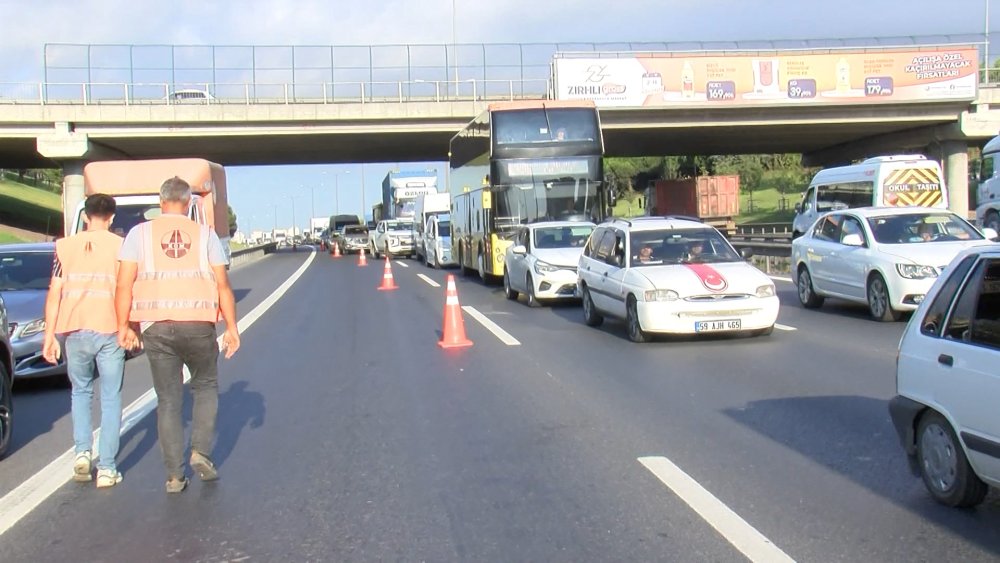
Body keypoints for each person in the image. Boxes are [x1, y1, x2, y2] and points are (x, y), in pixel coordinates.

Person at [115, 176, 241, 494]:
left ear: (161, 202)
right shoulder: (204, 235)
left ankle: (174, 476)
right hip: (199, 324)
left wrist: (123, 327)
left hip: (156, 327)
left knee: (169, 400)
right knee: (206, 387)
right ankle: (200, 451)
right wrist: (232, 328)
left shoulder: (138, 235)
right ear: (188, 204)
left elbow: (123, 285)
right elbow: (223, 285)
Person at [42, 194, 136, 488]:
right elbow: (129, 288)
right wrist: (131, 327)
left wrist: (50, 336)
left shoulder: (63, 247)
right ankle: (107, 468)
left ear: (85, 217)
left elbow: (54, 292)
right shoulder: (122, 247)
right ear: (111, 218)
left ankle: (82, 453)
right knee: (111, 397)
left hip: (74, 329)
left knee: (80, 393)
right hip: (109, 328)